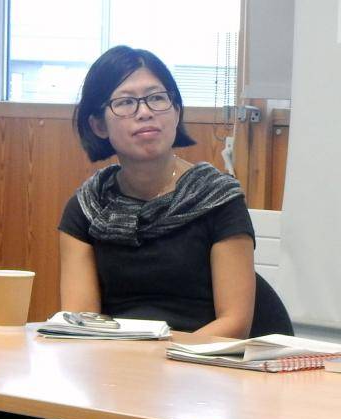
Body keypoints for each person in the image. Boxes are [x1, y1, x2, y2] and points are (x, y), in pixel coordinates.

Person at [58, 46, 255, 336]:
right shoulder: (88, 208)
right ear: (98, 125)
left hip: (202, 364)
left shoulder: (217, 198)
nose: (145, 112)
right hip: (115, 364)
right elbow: (82, 322)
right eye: (125, 102)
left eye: (157, 98)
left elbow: (235, 323)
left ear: (176, 112)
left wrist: (161, 367)